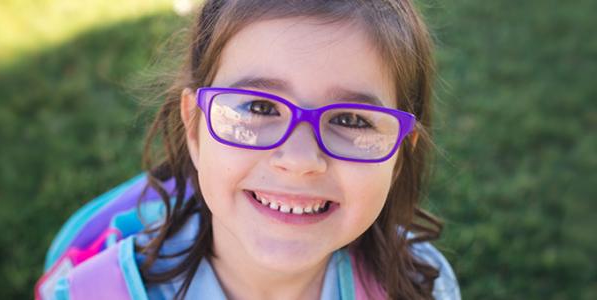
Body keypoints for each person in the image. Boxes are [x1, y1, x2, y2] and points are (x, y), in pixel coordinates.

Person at [36, 0, 461, 299]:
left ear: (400, 154)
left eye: (350, 120)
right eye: (260, 107)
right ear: (194, 127)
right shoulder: (91, 295)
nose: (299, 160)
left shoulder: (421, 284)